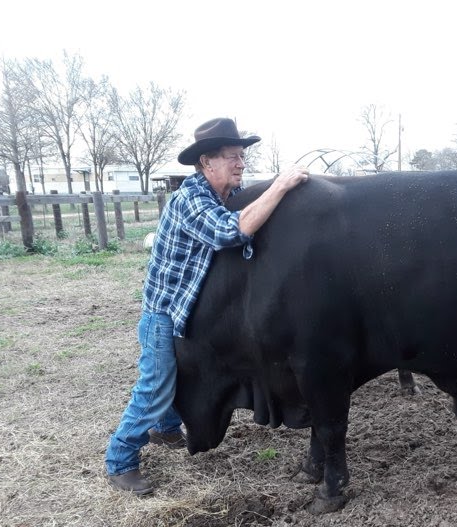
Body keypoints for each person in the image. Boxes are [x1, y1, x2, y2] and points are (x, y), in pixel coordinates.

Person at [105, 117, 309, 495]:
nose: (240, 163)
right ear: (206, 162)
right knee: (154, 387)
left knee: (173, 376)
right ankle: (119, 460)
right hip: (163, 314)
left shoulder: (227, 195)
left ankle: (166, 431)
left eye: (242, 156)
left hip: (185, 308)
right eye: (232, 156)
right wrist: (281, 185)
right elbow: (231, 231)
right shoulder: (190, 198)